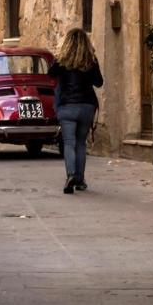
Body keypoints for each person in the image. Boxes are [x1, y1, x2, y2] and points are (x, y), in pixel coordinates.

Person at [49, 28, 103, 194]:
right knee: (81, 143)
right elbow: (99, 82)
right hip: (86, 106)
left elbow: (50, 73)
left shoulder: (62, 61)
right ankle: (80, 180)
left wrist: (60, 59)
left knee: (69, 143)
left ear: (67, 43)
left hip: (67, 107)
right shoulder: (90, 60)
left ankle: (71, 175)